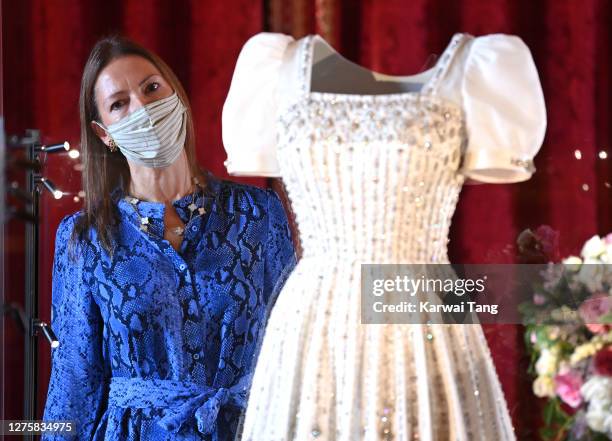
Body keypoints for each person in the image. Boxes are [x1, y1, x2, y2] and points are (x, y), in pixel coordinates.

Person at [41, 34, 296, 441]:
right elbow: (74, 380)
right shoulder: (83, 239)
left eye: (151, 88)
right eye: (119, 104)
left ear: (175, 94)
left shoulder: (258, 213)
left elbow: (294, 346)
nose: (142, 108)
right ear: (104, 134)